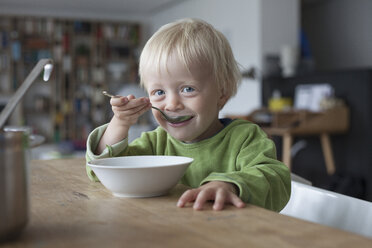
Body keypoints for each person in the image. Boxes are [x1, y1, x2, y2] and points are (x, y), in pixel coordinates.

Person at [86, 18, 291, 211]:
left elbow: (277, 182)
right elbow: (100, 171)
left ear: (222, 93)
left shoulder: (245, 139)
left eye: (188, 89)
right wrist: (120, 123)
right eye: (159, 92)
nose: (172, 104)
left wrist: (230, 185)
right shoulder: (156, 143)